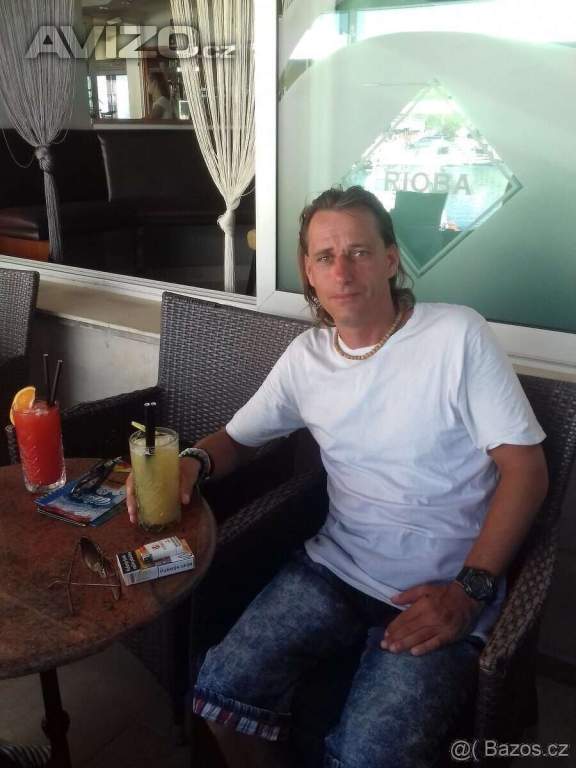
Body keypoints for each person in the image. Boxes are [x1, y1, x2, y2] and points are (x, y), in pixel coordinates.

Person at [127, 186, 548, 768]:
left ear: (391, 259)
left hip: (442, 585)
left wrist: (468, 591)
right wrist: (192, 462)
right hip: (336, 567)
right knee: (219, 690)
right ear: (309, 271)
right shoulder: (308, 358)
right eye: (325, 257)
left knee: (369, 753)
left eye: (359, 252)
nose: (343, 272)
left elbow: (527, 471)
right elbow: (239, 438)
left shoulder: (456, 336)